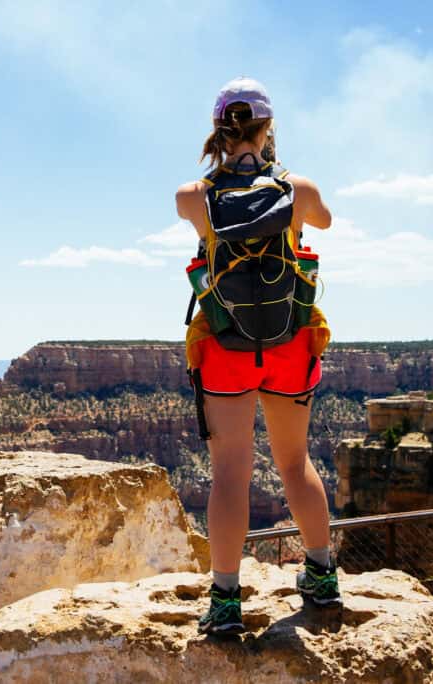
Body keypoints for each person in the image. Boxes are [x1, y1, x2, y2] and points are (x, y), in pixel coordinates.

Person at [174, 76, 341, 636]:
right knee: (295, 463)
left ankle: (224, 602)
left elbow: (195, 219)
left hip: (225, 346)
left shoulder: (192, 198)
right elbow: (325, 222)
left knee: (228, 473)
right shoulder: (300, 191)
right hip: (291, 344)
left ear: (218, 130)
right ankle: (320, 577)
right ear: (269, 128)